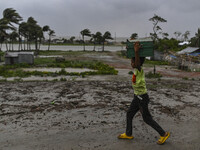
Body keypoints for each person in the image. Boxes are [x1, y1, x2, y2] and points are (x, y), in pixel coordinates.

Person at [118, 41, 170, 145]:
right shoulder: (136, 70)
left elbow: (137, 63)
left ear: (137, 62)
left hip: (142, 98)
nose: (131, 63)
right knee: (129, 114)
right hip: (137, 97)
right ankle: (128, 134)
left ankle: (163, 134)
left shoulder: (139, 69)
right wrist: (131, 51)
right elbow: (135, 62)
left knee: (146, 119)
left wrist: (136, 52)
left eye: (132, 62)